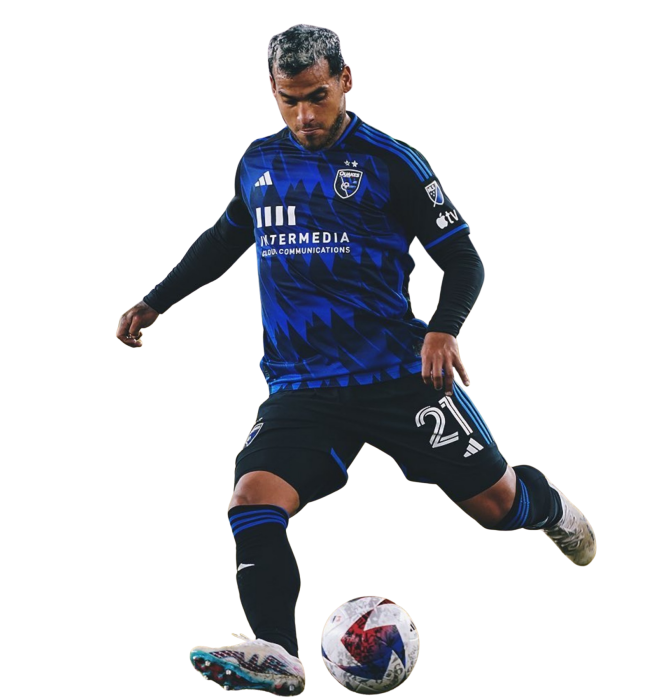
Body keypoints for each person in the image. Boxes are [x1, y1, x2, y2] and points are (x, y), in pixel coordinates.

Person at [116, 24, 596, 696]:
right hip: (302, 384)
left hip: (399, 373)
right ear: (272, 91)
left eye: (317, 96)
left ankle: (542, 503)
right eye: (290, 100)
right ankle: (278, 653)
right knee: (251, 501)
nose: (305, 115)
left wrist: (443, 330)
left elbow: (463, 258)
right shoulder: (258, 161)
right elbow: (225, 237)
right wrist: (155, 302)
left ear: (345, 80)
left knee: (495, 506)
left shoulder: (390, 161)